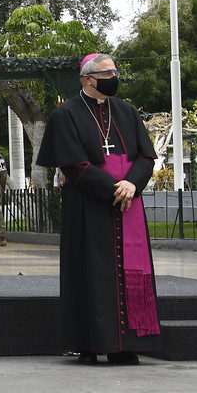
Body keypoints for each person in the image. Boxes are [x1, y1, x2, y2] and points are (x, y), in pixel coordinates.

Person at [39, 52, 160, 365]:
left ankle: (127, 345)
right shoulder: (65, 114)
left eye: (115, 72)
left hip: (128, 201)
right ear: (88, 79)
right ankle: (89, 343)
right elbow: (72, 163)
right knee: (90, 272)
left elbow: (146, 157)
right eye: (107, 74)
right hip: (87, 204)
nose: (113, 78)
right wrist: (112, 188)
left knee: (129, 271)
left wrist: (131, 185)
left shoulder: (128, 111)